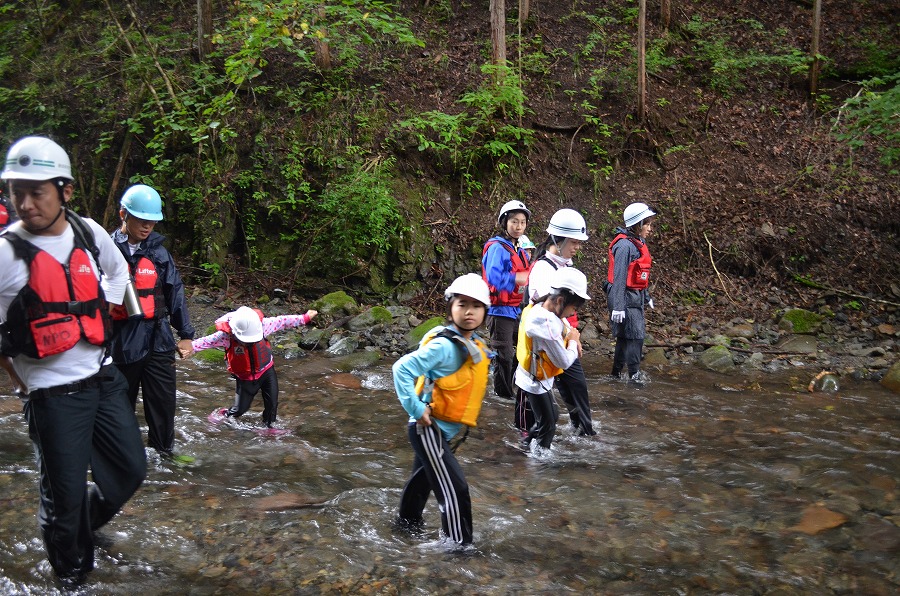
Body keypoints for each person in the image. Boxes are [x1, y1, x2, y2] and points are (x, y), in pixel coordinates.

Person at [0, 136, 147, 585]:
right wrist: (19, 380)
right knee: (61, 499)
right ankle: (72, 577)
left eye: (36, 191)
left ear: (64, 190)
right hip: (51, 396)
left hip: (102, 379)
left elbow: (118, 272)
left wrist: (96, 307)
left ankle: (81, 525)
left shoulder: (89, 232)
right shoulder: (6, 253)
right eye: (15, 192)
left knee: (129, 472)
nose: (25, 203)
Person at [392, 273, 492, 546]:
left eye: (476, 305)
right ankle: (460, 548)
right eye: (462, 304)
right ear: (451, 307)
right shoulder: (444, 346)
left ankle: (405, 527)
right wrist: (415, 407)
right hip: (428, 428)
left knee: (421, 482)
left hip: (442, 430)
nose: (469, 311)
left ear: (485, 310)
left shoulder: (473, 344)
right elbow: (401, 368)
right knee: (455, 488)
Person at [109, 184, 196, 463]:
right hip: (123, 338)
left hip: (159, 337)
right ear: (124, 214)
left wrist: (185, 334)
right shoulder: (107, 250)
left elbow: (175, 291)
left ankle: (164, 455)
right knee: (121, 402)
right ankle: (122, 457)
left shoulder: (159, 254)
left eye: (152, 221)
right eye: (141, 220)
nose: (147, 226)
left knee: (162, 402)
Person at [524, 208, 595, 436]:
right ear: (558, 239)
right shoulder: (544, 268)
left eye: (579, 243)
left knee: (575, 387)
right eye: (573, 242)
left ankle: (582, 429)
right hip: (550, 341)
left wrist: (573, 337)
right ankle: (533, 437)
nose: (577, 247)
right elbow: (548, 311)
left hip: (565, 338)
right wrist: (571, 339)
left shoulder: (567, 265)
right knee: (555, 392)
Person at [192, 305, 317, 429]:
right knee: (240, 409)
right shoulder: (226, 336)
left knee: (272, 404)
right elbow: (205, 342)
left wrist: (305, 318)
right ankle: (224, 414)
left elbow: (283, 321)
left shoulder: (262, 325)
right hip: (245, 378)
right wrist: (188, 348)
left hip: (267, 371)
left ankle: (269, 427)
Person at [515, 267, 589, 452]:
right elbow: (564, 361)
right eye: (574, 308)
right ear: (561, 300)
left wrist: (571, 335)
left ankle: (525, 446)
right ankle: (539, 463)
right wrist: (573, 341)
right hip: (535, 383)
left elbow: (564, 325)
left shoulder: (543, 306)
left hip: (538, 379)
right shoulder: (543, 323)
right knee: (548, 427)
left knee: (551, 416)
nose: (573, 313)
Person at [481, 200, 531, 402]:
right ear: (505, 223)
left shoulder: (517, 248)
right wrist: (514, 279)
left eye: (522, 222)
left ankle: (513, 391)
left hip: (515, 309)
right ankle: (502, 398)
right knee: (504, 356)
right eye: (514, 222)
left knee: (521, 352)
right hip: (498, 310)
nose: (518, 227)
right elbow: (493, 277)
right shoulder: (498, 247)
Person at [605, 202, 656, 384]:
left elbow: (641, 275)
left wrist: (647, 296)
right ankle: (635, 377)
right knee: (635, 335)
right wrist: (618, 307)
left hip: (635, 297)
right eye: (647, 224)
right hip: (624, 298)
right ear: (637, 224)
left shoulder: (638, 243)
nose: (650, 229)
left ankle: (615, 375)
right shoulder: (625, 246)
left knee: (626, 337)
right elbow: (619, 277)